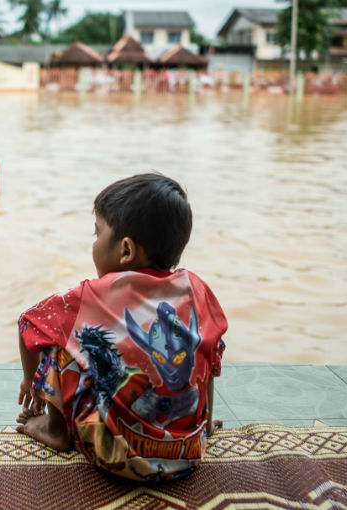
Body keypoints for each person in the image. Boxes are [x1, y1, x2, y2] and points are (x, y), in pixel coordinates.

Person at [15, 173, 228, 481]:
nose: (93, 243)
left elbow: (27, 323)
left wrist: (30, 381)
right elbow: (213, 353)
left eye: (97, 233)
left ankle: (54, 431)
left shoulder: (88, 296)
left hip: (112, 457)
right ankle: (203, 425)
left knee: (57, 336)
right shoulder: (196, 288)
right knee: (208, 340)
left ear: (125, 250)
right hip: (188, 454)